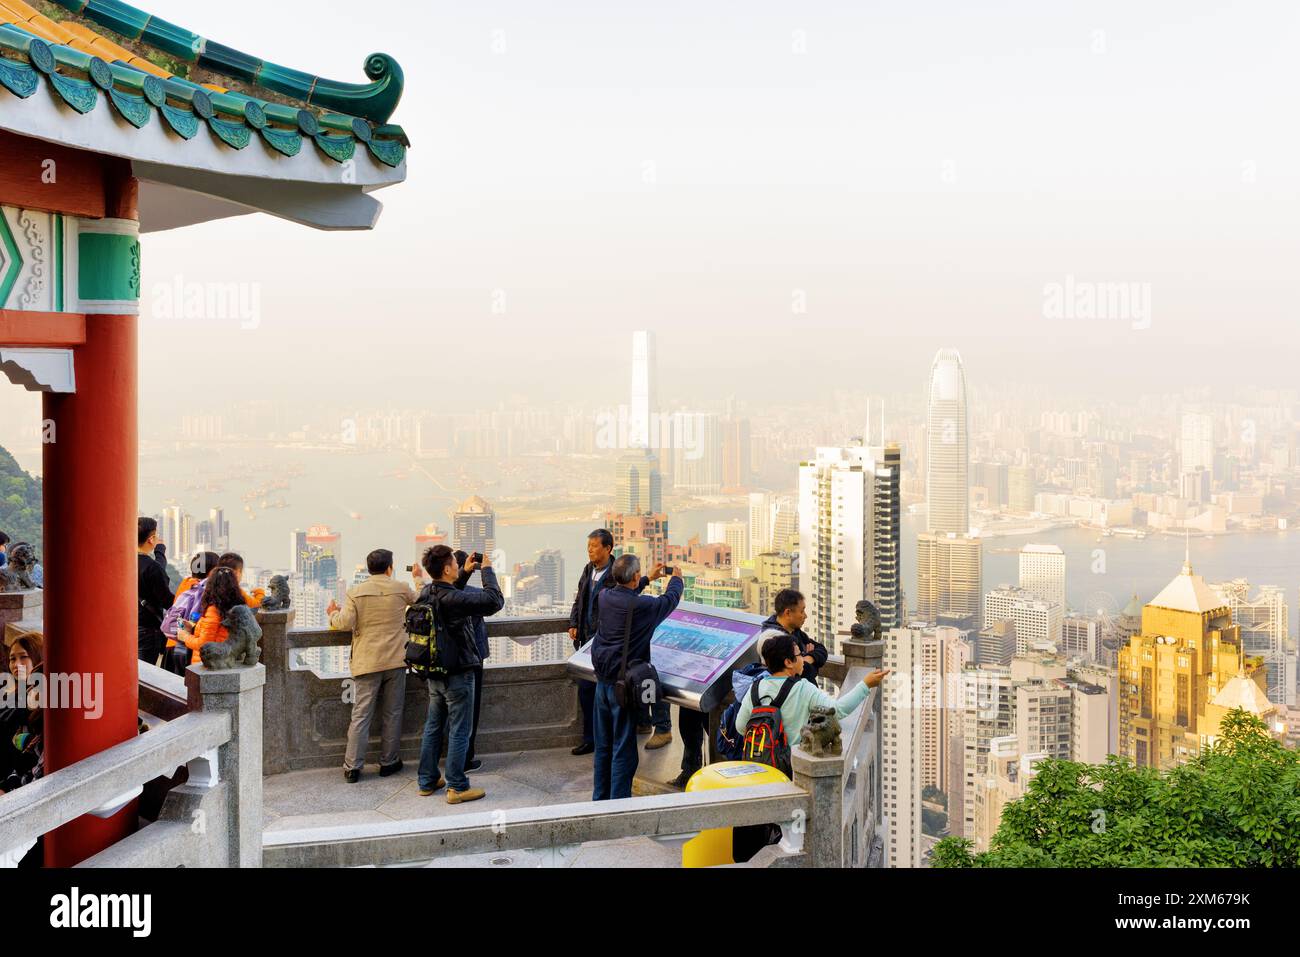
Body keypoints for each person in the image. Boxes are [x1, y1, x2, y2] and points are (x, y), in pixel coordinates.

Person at [589, 555, 682, 801]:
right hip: (624, 687)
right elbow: (670, 600)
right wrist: (677, 579)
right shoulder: (643, 607)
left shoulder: (605, 596)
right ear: (633, 577)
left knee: (603, 746)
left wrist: (646, 579)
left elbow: (626, 594)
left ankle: (599, 799)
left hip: (602, 682)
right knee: (623, 748)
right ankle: (618, 804)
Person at [415, 544, 503, 804]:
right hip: (458, 674)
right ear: (445, 568)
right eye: (454, 562)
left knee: (433, 726)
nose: (457, 564)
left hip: (435, 672)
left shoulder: (426, 591)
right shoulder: (453, 600)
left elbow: (451, 593)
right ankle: (457, 786)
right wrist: (487, 570)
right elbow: (494, 601)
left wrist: (464, 574)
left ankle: (427, 780)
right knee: (459, 729)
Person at [566, 530, 666, 755]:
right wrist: (574, 622)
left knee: (611, 694)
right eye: (588, 545)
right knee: (587, 691)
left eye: (594, 546)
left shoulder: (616, 572)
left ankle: (610, 739)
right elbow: (579, 597)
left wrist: (648, 578)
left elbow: (630, 593)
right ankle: (591, 738)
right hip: (588, 642)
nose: (589, 550)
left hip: (607, 643)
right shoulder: (588, 569)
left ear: (608, 548)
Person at [327, 548, 421, 783]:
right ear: (390, 567)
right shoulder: (400, 588)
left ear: (369, 568)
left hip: (367, 662)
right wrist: (418, 577)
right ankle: (389, 762)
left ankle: (352, 767)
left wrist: (332, 613)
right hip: (396, 659)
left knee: (361, 714)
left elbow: (344, 623)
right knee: (393, 712)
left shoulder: (355, 592)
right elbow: (421, 599)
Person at [734, 630, 889, 757]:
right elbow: (836, 710)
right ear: (788, 662)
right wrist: (865, 685)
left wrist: (768, 740)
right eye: (799, 654)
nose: (803, 658)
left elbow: (740, 726)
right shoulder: (802, 688)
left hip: (761, 765)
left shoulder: (755, 687)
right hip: (791, 765)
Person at [452, 549, 490, 772]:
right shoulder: (474, 595)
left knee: (444, 713)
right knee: (470, 711)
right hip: (472, 658)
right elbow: (496, 598)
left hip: (447, 659)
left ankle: (443, 757)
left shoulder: (434, 591)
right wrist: (487, 569)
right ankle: (465, 758)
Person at [180, 566, 246, 664]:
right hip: (226, 660)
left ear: (211, 585)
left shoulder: (214, 610)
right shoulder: (239, 608)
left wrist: (185, 636)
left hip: (208, 663)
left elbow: (204, 644)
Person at [763, 589, 827, 684]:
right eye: (802, 611)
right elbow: (808, 673)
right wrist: (809, 663)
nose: (805, 616)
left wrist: (807, 657)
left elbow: (822, 650)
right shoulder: (775, 640)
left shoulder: (794, 630)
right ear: (788, 613)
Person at [136, 518, 175, 665]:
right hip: (148, 630)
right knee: (143, 675)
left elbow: (156, 569)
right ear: (151, 539)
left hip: (126, 626)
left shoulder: (123, 562)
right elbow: (167, 601)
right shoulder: (152, 568)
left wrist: (160, 552)